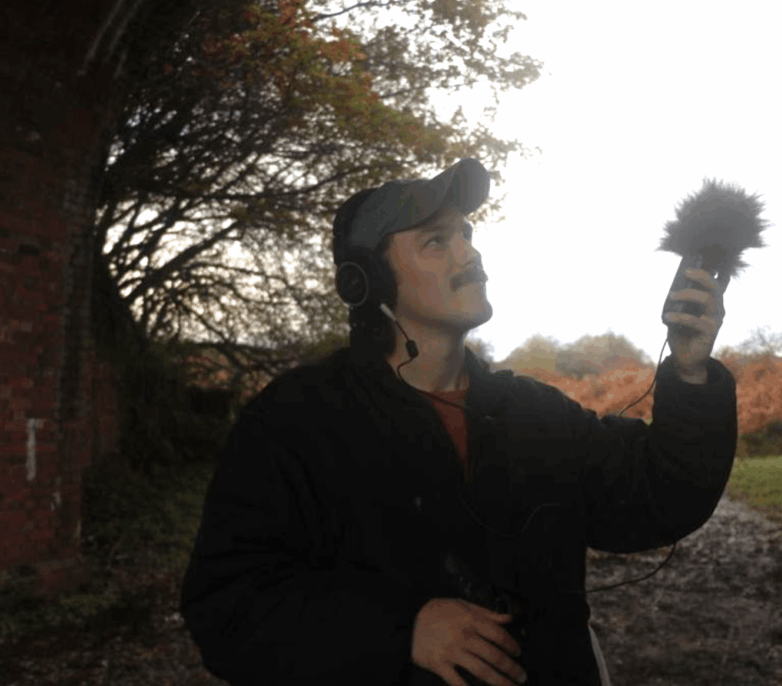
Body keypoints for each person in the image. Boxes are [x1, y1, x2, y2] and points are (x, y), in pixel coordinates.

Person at [180, 158, 738, 686]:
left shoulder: (534, 414)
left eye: (467, 233)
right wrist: (400, 631)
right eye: (435, 241)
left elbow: (660, 494)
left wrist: (690, 375)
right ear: (366, 281)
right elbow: (227, 605)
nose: (469, 255)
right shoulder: (294, 423)